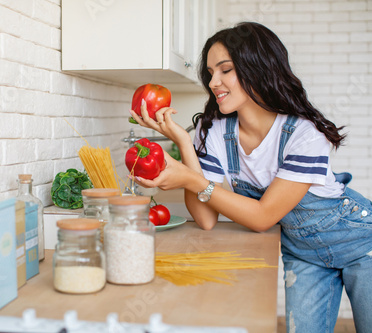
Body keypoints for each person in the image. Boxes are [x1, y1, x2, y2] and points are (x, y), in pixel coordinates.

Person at [129, 22, 372, 333]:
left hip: (359, 242)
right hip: (303, 254)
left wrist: (189, 179)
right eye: (210, 73)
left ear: (258, 68)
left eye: (225, 70)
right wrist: (184, 144)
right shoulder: (214, 130)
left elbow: (262, 217)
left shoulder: (304, 134)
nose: (213, 82)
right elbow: (205, 218)